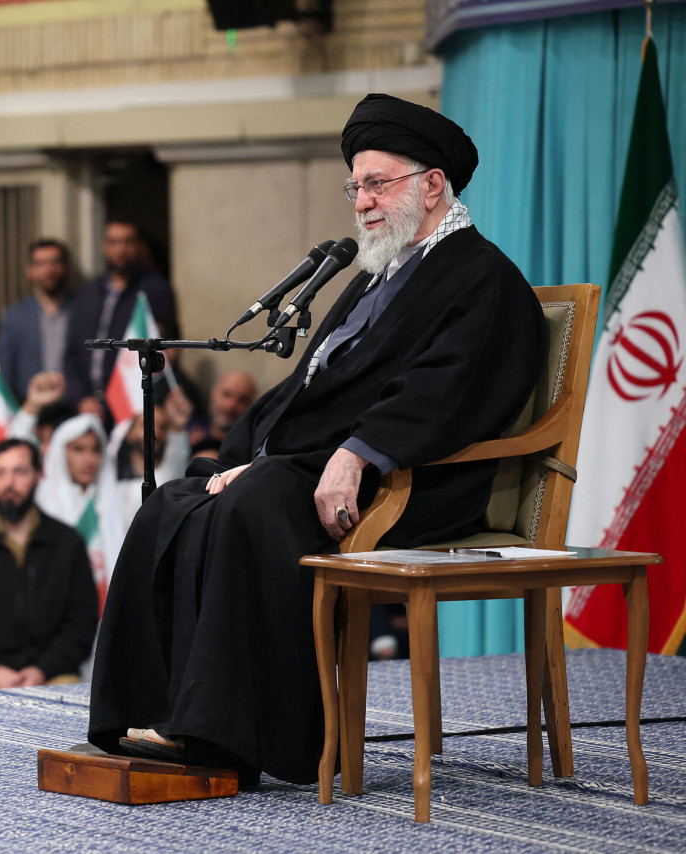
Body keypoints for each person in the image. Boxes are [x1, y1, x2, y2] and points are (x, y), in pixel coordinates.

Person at [87, 94, 547, 784]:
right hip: (321, 467)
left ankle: (227, 734)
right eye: (354, 186)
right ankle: (146, 712)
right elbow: (310, 386)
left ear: (431, 185)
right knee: (176, 500)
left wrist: (358, 454)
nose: (362, 202)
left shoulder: (483, 278)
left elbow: (445, 392)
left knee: (256, 503)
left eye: (377, 184)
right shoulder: (375, 273)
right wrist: (243, 454)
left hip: (417, 482)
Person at [0, 439, 98, 691]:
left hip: (52, 671)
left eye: (19, 472)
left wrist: (42, 669)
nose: (9, 483)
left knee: (73, 707)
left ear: (38, 475)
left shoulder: (67, 542)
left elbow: (81, 622)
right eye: (0, 473)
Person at [63, 219, 179, 409]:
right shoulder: (88, 292)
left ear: (138, 245)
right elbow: (72, 352)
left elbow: (168, 349)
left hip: (132, 401)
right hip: (86, 403)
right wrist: (81, 399)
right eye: (114, 242)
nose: (121, 249)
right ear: (104, 246)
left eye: (127, 241)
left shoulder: (156, 290)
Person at [0, 238, 75, 401]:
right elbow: (5, 372)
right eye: (40, 264)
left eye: (55, 262)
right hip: (30, 405)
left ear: (66, 268)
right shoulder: (14, 317)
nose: (48, 270)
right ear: (30, 272)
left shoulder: (83, 310)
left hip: (74, 404)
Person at [187, 371, 260, 446]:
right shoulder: (190, 427)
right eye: (227, 394)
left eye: (242, 400)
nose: (231, 405)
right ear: (213, 393)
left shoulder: (254, 444)